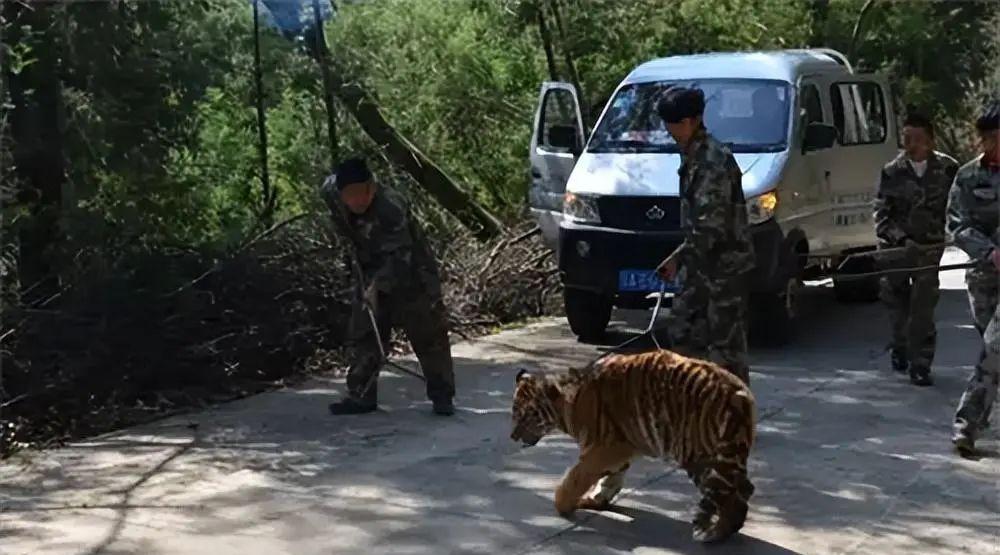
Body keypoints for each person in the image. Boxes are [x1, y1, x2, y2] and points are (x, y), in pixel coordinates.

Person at [320, 157, 456, 416]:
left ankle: (442, 396)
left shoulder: (391, 207)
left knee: (428, 335)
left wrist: (377, 287)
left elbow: (400, 257)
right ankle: (361, 395)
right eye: (350, 195)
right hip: (369, 265)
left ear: (372, 186)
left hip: (412, 272)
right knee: (363, 331)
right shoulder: (331, 195)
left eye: (363, 193)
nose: (357, 200)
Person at [655, 86, 755, 385]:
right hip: (701, 265)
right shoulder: (693, 155)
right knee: (684, 333)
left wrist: (679, 258)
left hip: (724, 268)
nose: (669, 131)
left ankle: (734, 415)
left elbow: (711, 226)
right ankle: (696, 409)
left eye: (672, 124)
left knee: (726, 347)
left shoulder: (712, 160)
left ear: (689, 122)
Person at [872, 112, 959, 386]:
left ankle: (921, 363)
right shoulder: (892, 171)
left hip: (929, 249)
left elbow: (957, 207)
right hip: (896, 250)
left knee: (922, 307)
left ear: (931, 141)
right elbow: (881, 214)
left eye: (917, 139)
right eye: (907, 138)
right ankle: (900, 345)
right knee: (897, 305)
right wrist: (900, 239)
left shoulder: (947, 170)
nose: (911, 144)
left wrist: (954, 234)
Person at [950, 100, 1000, 456]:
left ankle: (967, 424)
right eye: (987, 137)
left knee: (994, 348)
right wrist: (990, 252)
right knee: (993, 349)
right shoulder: (968, 176)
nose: (991, 144)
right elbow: (957, 225)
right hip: (983, 277)